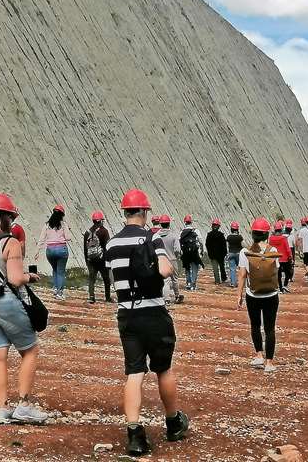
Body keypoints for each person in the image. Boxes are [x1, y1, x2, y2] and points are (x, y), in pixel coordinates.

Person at [104, 189, 189, 456]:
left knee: (134, 372)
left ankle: (135, 434)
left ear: (124, 212)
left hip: (126, 314)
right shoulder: (152, 237)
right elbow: (165, 270)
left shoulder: (112, 244)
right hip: (153, 312)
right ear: (143, 212)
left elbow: (113, 276)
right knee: (163, 369)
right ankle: (173, 422)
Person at [0, 193, 47, 425]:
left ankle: (2, 409)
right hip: (5, 301)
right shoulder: (10, 242)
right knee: (30, 350)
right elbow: (15, 279)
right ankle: (24, 405)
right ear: (8, 218)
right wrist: (31, 277)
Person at [236, 217, 281, 373]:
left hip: (252, 295)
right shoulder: (273, 251)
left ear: (253, 234)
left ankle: (258, 356)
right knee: (270, 328)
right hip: (271, 295)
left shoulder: (245, 252)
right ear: (266, 234)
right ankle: (269, 363)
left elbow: (242, 275)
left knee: (255, 325)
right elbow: (276, 270)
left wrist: (239, 295)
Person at [35, 205, 71, 300]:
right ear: (62, 215)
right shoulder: (63, 224)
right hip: (61, 249)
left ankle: (55, 288)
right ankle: (59, 292)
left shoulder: (47, 225)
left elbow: (41, 238)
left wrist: (37, 251)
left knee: (55, 270)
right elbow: (68, 238)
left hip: (50, 250)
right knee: (61, 272)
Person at [84, 211, 112, 303]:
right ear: (101, 221)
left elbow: (85, 249)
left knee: (92, 279)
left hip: (91, 259)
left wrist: (87, 261)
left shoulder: (87, 232)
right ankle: (107, 298)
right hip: (101, 259)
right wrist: (108, 260)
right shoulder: (104, 231)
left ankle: (91, 297)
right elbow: (107, 246)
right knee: (106, 278)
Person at [157, 214, 183, 304]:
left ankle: (166, 299)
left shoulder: (157, 236)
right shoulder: (173, 235)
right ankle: (177, 296)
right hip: (172, 259)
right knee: (175, 279)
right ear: (169, 224)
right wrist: (175, 256)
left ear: (160, 224)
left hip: (162, 260)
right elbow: (177, 249)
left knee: (165, 280)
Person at [180, 215, 205, 291]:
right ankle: (193, 284)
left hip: (186, 253)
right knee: (195, 267)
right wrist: (202, 250)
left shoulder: (182, 232)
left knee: (187, 267)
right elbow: (200, 241)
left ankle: (188, 283)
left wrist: (182, 252)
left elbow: (180, 242)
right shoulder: (196, 231)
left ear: (185, 222)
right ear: (191, 222)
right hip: (194, 252)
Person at [269, 221, 292, 294]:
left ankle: (280, 288)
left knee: (278, 274)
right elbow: (287, 249)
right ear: (281, 230)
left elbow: (269, 248)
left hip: (275, 258)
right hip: (285, 258)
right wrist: (290, 256)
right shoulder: (283, 238)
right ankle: (285, 285)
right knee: (288, 273)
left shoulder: (271, 239)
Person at [205, 219, 228, 285]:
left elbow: (207, 244)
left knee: (215, 268)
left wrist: (209, 253)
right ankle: (224, 278)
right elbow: (224, 245)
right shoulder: (221, 235)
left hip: (213, 255)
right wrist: (225, 253)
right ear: (218, 226)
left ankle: (217, 281)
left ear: (212, 226)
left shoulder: (209, 235)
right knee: (222, 267)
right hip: (220, 254)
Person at [226, 222, 244, 288]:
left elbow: (228, 246)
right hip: (239, 253)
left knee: (232, 269)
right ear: (237, 229)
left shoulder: (229, 237)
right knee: (240, 268)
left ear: (231, 229)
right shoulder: (240, 237)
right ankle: (241, 282)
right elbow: (242, 245)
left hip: (231, 253)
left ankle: (233, 283)